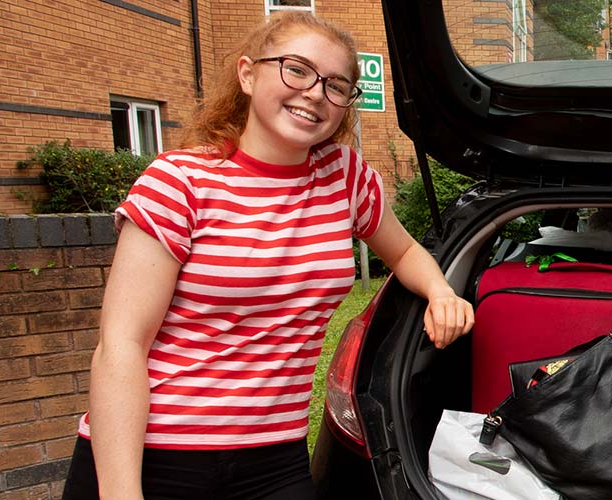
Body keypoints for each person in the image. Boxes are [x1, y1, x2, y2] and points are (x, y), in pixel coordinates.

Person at [63, 12, 474, 500]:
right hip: (157, 455)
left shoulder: (344, 177)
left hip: (274, 458)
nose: (316, 93)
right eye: (296, 70)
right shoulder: (180, 181)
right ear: (247, 73)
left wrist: (439, 290)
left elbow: (404, 249)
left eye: (336, 85)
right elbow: (121, 347)